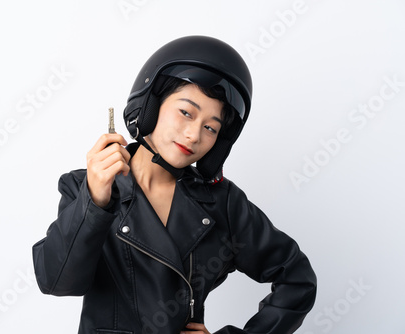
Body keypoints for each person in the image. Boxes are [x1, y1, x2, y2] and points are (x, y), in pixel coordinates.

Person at [32, 35, 317, 334]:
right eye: (186, 112)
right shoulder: (83, 186)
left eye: (210, 127)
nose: (194, 135)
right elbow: (56, 281)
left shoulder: (224, 203)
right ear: (151, 104)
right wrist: (95, 202)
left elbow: (296, 278)